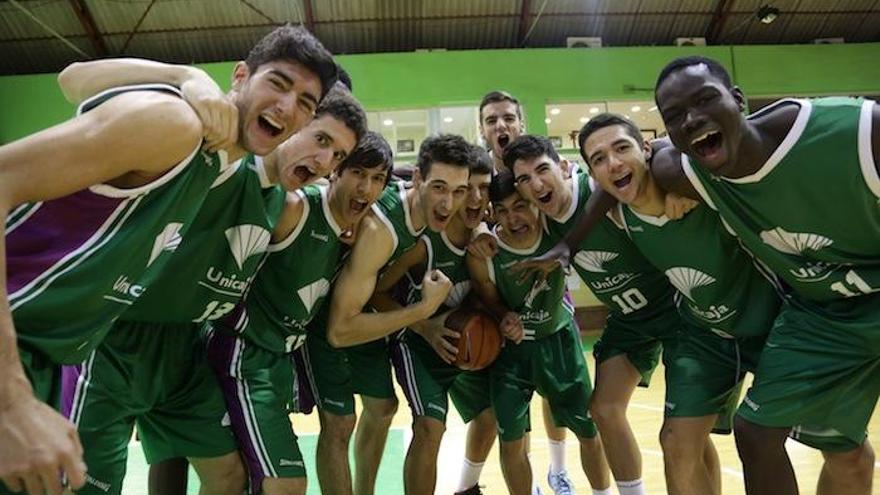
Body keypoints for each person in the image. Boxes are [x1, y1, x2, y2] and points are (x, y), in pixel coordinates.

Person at [0, 24, 336, 495]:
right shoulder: (177, 126)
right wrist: (11, 402)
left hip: (48, 354)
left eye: (305, 103)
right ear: (240, 77)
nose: (287, 107)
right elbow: (72, 78)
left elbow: (76, 80)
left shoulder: (221, 173)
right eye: (278, 83)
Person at [652, 56, 880, 495]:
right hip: (821, 315)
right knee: (756, 433)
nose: (692, 119)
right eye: (675, 116)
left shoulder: (856, 132)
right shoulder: (693, 174)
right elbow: (656, 158)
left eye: (704, 100)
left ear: (738, 100)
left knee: (847, 455)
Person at [579, 113, 787, 494]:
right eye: (599, 159)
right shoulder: (617, 215)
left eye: (622, 147)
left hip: (771, 322)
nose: (613, 163)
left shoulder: (695, 184)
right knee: (676, 441)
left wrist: (675, 171)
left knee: (828, 445)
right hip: (705, 334)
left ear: (645, 147)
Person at [206, 131, 387, 495]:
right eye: (357, 173)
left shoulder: (358, 229)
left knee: (239, 478)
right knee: (282, 482)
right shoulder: (295, 208)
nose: (366, 188)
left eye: (377, 179)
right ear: (335, 170)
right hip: (242, 352)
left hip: (277, 361)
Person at [507, 134, 682, 495]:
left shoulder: (601, 188)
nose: (537, 184)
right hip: (629, 319)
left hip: (676, 309)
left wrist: (678, 185)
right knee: (603, 409)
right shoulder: (540, 214)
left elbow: (662, 148)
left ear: (566, 166)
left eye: (543, 170)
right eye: (524, 179)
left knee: (683, 431)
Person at [302, 134, 471, 495]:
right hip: (324, 319)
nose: (448, 202)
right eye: (439, 187)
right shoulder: (383, 230)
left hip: (360, 312)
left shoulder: (418, 214)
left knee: (381, 408)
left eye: (459, 191)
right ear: (419, 181)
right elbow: (339, 331)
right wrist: (423, 310)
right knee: (340, 422)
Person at [466, 170, 612, 495]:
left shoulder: (555, 230)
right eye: (501, 211)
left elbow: (597, 190)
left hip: (559, 340)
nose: (511, 219)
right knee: (512, 442)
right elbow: (488, 295)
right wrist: (503, 316)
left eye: (519, 206)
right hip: (510, 354)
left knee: (590, 432)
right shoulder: (485, 252)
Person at [366, 146, 495, 495]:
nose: (476, 198)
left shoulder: (489, 235)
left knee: (488, 417)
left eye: (485, 189)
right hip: (416, 342)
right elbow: (376, 293)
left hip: (461, 343)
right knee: (430, 427)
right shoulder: (424, 243)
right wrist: (425, 325)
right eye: (469, 189)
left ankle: (467, 489)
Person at [477, 90, 576, 494]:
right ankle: (477, 481)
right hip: (499, 291)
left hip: (547, 293)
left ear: (521, 125)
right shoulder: (479, 176)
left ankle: (558, 471)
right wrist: (482, 229)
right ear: (482, 131)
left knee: (554, 393)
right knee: (502, 408)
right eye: (491, 120)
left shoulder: (541, 170)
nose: (501, 126)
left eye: (507, 118)